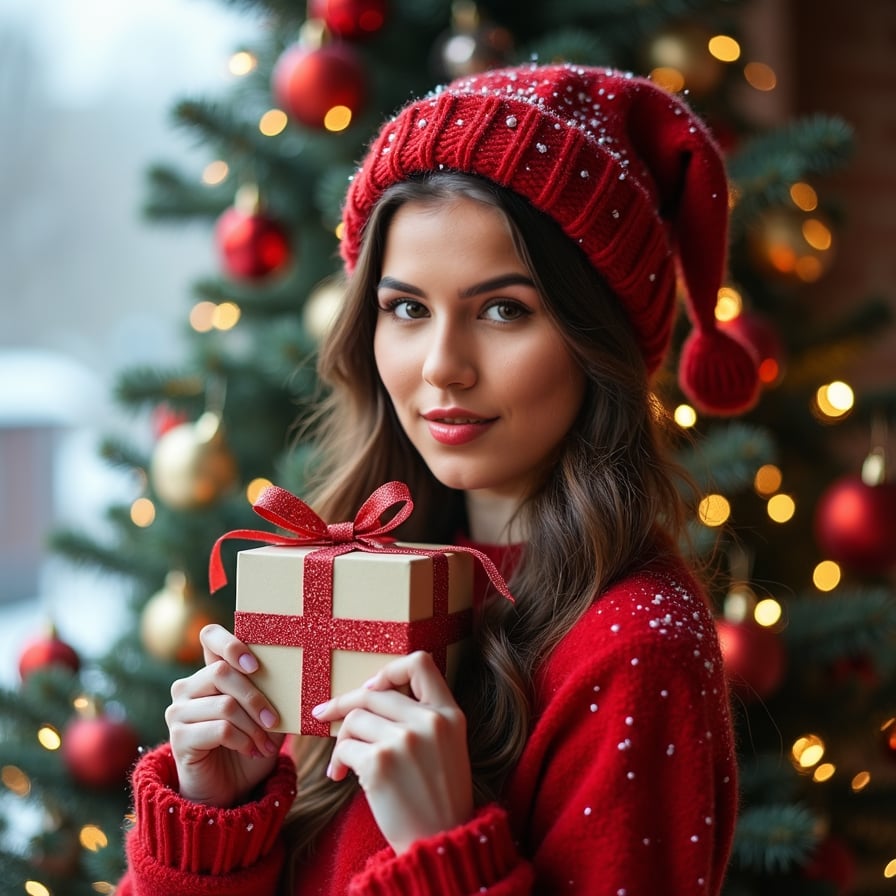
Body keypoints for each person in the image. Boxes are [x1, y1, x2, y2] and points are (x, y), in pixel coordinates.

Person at [118, 62, 759, 895]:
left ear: (595, 337)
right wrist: (216, 824)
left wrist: (445, 850)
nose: (443, 368)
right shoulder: (350, 581)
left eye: (504, 310)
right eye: (407, 309)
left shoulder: (635, 650)